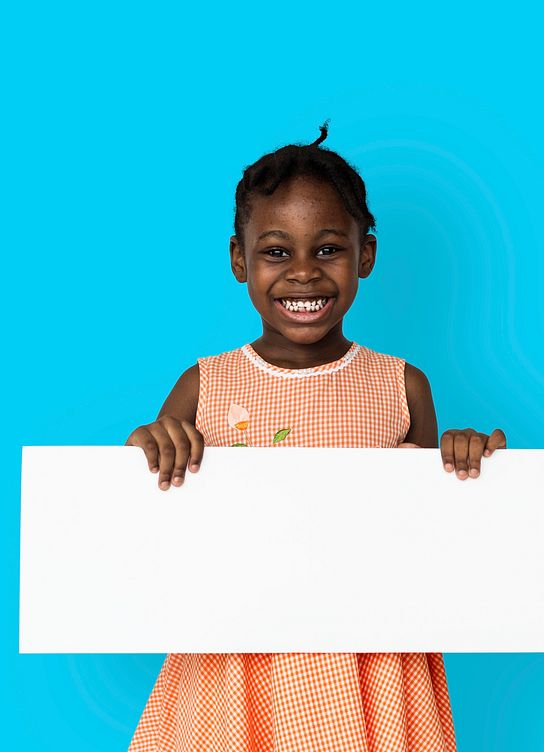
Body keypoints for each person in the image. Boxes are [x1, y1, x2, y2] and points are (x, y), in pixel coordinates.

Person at [125, 125, 504, 752]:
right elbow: (148, 521)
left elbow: (430, 535)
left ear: (366, 256)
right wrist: (151, 444)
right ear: (239, 259)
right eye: (276, 252)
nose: (303, 273)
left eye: (327, 250)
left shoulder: (401, 384)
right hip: (235, 661)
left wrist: (460, 462)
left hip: (370, 662)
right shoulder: (205, 383)